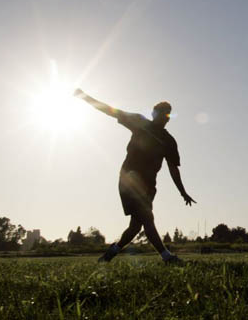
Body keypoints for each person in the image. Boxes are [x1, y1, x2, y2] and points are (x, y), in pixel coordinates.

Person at [74, 88, 196, 264]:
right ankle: (167, 257)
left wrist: (182, 192)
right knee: (147, 216)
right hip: (129, 178)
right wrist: (85, 97)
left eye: (166, 114)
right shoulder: (140, 122)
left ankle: (108, 256)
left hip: (149, 185)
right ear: (154, 114)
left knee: (135, 226)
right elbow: (110, 110)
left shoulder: (169, 141)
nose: (162, 116)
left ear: (168, 117)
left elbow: (173, 168)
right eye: (159, 112)